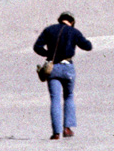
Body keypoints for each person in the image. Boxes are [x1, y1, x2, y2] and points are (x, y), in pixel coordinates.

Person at [33, 12, 93, 140]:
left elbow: (37, 47)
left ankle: (56, 133)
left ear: (60, 20)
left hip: (52, 68)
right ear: (71, 21)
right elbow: (88, 46)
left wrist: (48, 53)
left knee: (55, 99)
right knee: (69, 96)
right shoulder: (74, 31)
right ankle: (67, 128)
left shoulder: (49, 30)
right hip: (67, 67)